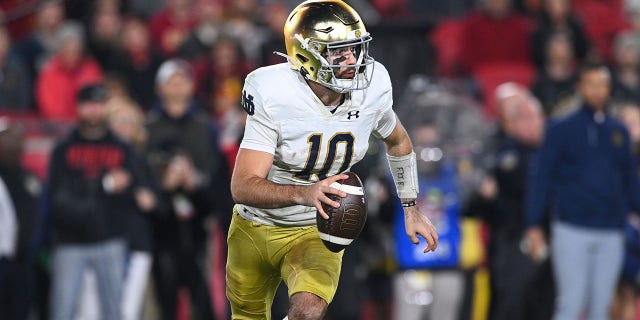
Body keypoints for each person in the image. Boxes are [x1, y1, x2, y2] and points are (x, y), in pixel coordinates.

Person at [226, 1, 438, 319]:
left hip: (317, 228)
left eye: (355, 49)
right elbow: (242, 185)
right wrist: (303, 193)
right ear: (306, 54)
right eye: (339, 52)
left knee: (309, 309)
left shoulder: (372, 88)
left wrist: (410, 207)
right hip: (255, 223)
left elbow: (399, 140)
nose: (352, 61)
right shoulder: (274, 91)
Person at [524, 62, 640, 320]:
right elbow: (541, 178)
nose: (598, 91)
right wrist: (533, 224)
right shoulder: (560, 129)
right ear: (580, 88)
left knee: (602, 306)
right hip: (572, 227)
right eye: (592, 84)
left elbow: (629, 180)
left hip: (611, 229)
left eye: (603, 84)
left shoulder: (618, 131)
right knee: (572, 302)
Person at [46, 83, 138, 320]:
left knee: (113, 312)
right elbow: (60, 197)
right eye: (89, 104)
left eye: (99, 104)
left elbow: (132, 188)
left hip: (110, 237)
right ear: (78, 107)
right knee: (63, 311)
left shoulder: (121, 147)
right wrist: (105, 184)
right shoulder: (64, 149)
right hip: (70, 240)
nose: (94, 111)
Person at [145, 58, 224, 320]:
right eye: (171, 80)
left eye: (183, 80)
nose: (178, 86)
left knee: (203, 293)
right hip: (161, 220)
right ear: (159, 88)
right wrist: (163, 184)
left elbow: (216, 170)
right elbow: (143, 170)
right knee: (165, 292)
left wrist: (195, 180)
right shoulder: (150, 126)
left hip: (199, 219)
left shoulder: (204, 125)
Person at [466, 83, 554, 320]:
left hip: (553, 236)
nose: (533, 123)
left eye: (536, 116)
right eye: (523, 117)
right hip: (511, 238)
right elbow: (478, 201)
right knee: (511, 304)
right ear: (509, 123)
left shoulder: (556, 149)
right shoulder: (499, 152)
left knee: (547, 304)